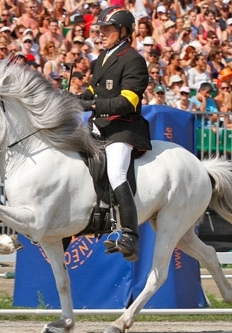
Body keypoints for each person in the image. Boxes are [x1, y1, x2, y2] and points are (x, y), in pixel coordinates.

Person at [77, 7, 151, 262]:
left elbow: (128, 101)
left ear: (123, 32)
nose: (101, 35)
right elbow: (91, 89)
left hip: (123, 128)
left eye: (107, 30)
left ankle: (130, 234)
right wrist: (77, 98)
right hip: (99, 127)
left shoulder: (134, 60)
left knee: (116, 171)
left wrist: (94, 105)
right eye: (100, 30)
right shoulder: (101, 59)